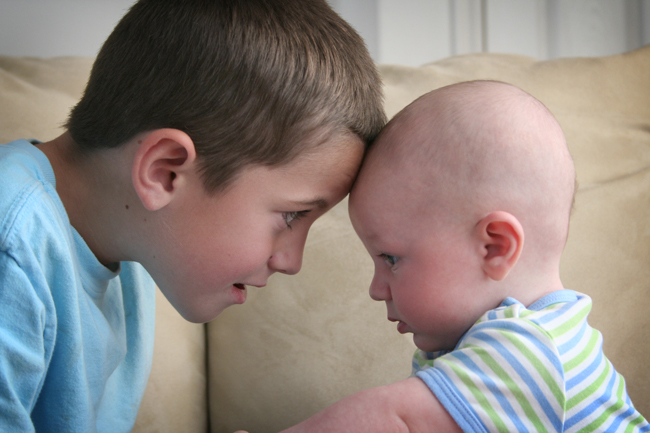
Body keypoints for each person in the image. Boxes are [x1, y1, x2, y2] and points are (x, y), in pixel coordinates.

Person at [0, 0, 385, 431]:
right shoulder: (12, 243)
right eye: (293, 216)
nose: (291, 262)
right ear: (165, 172)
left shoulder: (128, 238)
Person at [274, 81, 649, 433]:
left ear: (494, 248)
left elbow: (395, 421)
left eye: (390, 259)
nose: (376, 289)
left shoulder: (530, 351)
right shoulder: (491, 343)